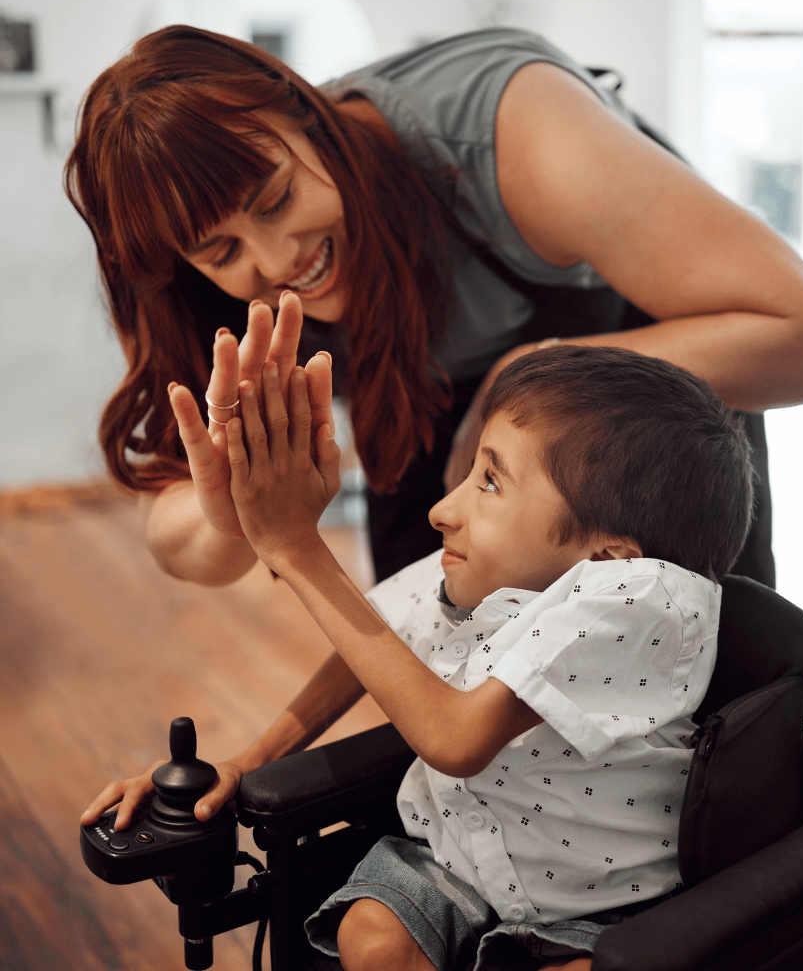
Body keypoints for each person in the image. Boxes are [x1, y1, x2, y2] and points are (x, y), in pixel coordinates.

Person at [65, 24, 803, 591]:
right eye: (221, 252)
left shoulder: (515, 133)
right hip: (428, 396)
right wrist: (231, 508)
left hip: (646, 372)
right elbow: (180, 546)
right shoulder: (208, 290)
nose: (277, 265)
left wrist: (533, 374)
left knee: (699, 692)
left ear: (309, 112)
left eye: (276, 199)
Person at [83, 344, 755, 971]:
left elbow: (455, 740)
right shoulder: (490, 570)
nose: (442, 510)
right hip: (457, 860)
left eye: (489, 483)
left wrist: (297, 547)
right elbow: (371, 636)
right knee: (369, 940)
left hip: (605, 904)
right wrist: (247, 761)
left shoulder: (645, 597)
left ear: (607, 554)